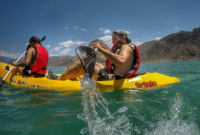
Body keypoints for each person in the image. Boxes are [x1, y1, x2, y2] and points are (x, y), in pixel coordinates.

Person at [47, 30, 140, 80]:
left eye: (114, 39)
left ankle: (59, 78)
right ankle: (72, 76)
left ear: (123, 39)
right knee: (91, 62)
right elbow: (115, 58)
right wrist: (104, 48)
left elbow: (121, 61)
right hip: (111, 74)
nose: (112, 42)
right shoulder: (123, 47)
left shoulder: (126, 47)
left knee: (83, 62)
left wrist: (100, 49)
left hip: (112, 78)